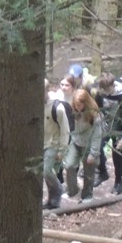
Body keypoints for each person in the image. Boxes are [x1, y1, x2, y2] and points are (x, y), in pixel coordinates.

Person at [94, 72, 122, 194]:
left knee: (117, 154)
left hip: (120, 130)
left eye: (106, 89)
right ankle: (102, 172)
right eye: (102, 89)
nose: (104, 92)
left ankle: (119, 182)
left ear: (112, 85)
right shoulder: (100, 93)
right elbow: (98, 109)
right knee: (97, 148)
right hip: (105, 127)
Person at [64, 88, 103, 202]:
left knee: (88, 171)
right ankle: (72, 189)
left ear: (86, 103)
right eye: (75, 105)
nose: (77, 107)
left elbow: (97, 135)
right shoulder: (72, 111)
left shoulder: (94, 115)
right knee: (69, 165)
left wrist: (93, 153)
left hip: (89, 146)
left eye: (80, 105)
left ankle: (87, 195)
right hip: (76, 142)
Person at [43, 80, 72, 209]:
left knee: (46, 171)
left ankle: (58, 190)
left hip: (53, 144)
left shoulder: (57, 107)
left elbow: (65, 130)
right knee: (45, 174)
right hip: (41, 144)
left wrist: (62, 150)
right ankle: (52, 200)